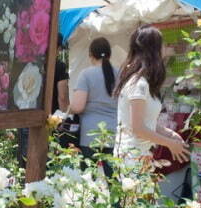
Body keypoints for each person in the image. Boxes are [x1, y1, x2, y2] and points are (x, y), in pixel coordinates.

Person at [114, 26, 189, 188]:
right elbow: (139, 128)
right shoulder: (138, 84)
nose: (164, 50)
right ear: (153, 50)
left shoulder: (143, 82)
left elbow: (146, 122)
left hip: (140, 156)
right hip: (131, 158)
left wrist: (170, 134)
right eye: (162, 45)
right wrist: (170, 144)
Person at [69, 37, 119, 166]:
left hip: (90, 135)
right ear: (109, 54)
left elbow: (78, 107)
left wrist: (69, 109)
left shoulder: (86, 74)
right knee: (112, 180)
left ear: (91, 55)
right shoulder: (120, 74)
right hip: (114, 133)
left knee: (88, 180)